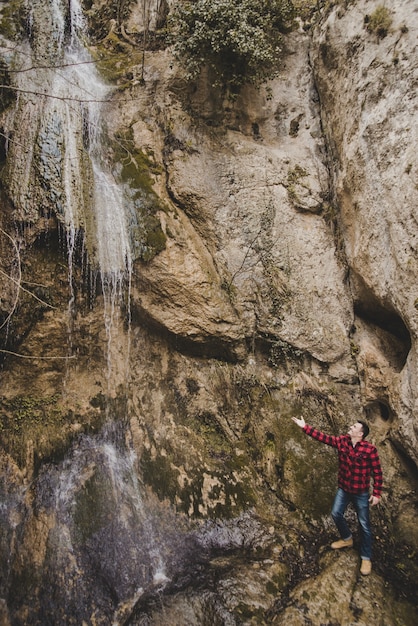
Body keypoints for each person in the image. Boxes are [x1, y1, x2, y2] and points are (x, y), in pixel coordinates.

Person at [291, 416, 383, 576]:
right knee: (336, 513)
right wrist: (305, 427)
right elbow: (324, 438)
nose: (351, 427)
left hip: (360, 492)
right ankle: (347, 538)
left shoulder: (370, 450)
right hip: (344, 488)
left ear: (360, 434)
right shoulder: (342, 441)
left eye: (354, 426)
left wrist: (376, 493)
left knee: (364, 525)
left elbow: (378, 473)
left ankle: (366, 557)